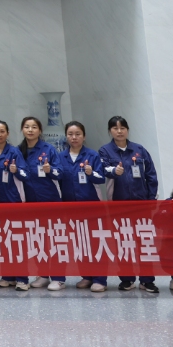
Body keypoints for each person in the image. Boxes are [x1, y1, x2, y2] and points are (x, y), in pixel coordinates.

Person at [98, 116, 159, 294]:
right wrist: (113, 171)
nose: (119, 131)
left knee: (144, 241)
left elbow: (151, 175)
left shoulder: (139, 150)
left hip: (141, 204)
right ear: (110, 131)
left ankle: (147, 280)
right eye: (115, 128)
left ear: (127, 130)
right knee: (123, 241)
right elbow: (102, 170)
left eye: (122, 128)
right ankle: (127, 278)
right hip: (119, 205)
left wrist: (151, 199)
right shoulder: (105, 150)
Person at [56, 121, 107, 292]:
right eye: (70, 134)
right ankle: (86, 275)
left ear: (84, 136)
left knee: (95, 242)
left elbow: (101, 178)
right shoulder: (60, 157)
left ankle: (100, 279)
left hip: (91, 206)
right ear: (66, 137)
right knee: (79, 242)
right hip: (70, 207)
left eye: (77, 134)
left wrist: (91, 173)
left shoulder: (92, 155)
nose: (74, 137)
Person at [18, 116, 65, 291]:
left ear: (40, 130)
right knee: (38, 239)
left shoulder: (48, 149)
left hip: (49, 200)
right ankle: (43, 274)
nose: (30, 130)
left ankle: (58, 278)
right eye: (27, 127)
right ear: (22, 130)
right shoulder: (19, 150)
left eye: (34, 127)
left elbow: (60, 173)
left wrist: (50, 170)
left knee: (54, 239)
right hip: (29, 202)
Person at [0, 120, 29, 291]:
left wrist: (16, 171)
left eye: (2, 131)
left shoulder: (14, 152)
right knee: (3, 239)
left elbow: (26, 174)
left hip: (13, 201)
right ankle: (7, 276)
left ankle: (22, 278)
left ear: (8, 133)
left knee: (17, 240)